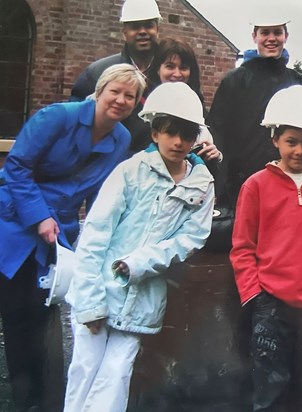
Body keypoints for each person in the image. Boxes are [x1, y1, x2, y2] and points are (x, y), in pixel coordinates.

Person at [0, 63, 146, 412]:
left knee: (43, 315)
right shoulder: (56, 117)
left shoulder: (121, 139)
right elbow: (16, 168)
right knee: (16, 312)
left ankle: (43, 399)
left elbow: (102, 196)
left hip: (58, 236)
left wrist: (104, 237)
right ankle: (24, 396)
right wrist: (40, 216)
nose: (121, 100)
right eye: (115, 91)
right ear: (100, 91)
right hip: (16, 221)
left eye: (130, 96)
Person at [63, 82, 215, 412]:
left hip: (143, 297)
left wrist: (142, 262)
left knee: (116, 375)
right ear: (155, 131)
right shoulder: (130, 172)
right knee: (85, 371)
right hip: (100, 287)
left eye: (187, 135)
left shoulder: (201, 183)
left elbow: (191, 238)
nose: (178, 142)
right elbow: (95, 236)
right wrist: (90, 303)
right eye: (170, 132)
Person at [230, 85, 302, 412]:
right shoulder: (256, 186)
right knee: (271, 382)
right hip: (271, 301)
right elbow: (242, 246)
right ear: (275, 139)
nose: (299, 150)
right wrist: (254, 294)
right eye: (291, 141)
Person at [208, 18, 302, 208]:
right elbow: (218, 133)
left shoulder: (300, 84)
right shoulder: (234, 81)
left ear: (285, 36)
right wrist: (220, 185)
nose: (271, 38)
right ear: (254, 36)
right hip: (239, 186)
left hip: (287, 184)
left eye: (277, 32)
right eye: (265, 32)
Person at [71, 0, 162, 153]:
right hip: (109, 159)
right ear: (124, 33)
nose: (142, 31)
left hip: (159, 163)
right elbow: (77, 119)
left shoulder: (172, 73)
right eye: (134, 26)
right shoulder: (98, 72)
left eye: (148, 25)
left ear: (157, 30)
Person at [149, 37, 222, 165]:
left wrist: (216, 154)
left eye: (183, 67)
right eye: (170, 66)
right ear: (157, 69)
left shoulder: (197, 107)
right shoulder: (146, 107)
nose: (177, 74)